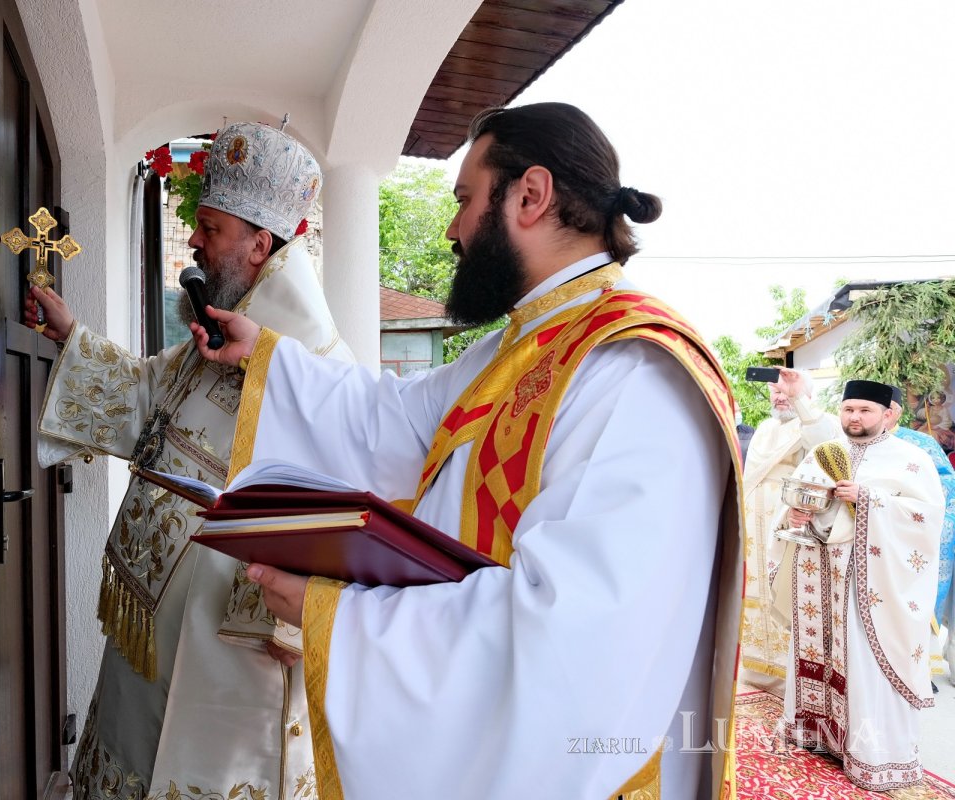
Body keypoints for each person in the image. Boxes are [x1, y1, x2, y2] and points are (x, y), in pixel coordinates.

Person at [191, 102, 745, 799]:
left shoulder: (634, 369)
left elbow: (572, 634)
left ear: (531, 195)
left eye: (463, 200)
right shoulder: (524, 340)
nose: (452, 228)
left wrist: (335, 617)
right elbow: (387, 421)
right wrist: (266, 354)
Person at [25, 121, 354, 800]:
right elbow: (148, 393)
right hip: (152, 627)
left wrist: (290, 624)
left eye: (211, 227)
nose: (196, 240)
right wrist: (71, 336)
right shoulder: (219, 334)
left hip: (227, 646)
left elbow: (339, 507)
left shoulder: (320, 369)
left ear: (261, 244)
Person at [769, 379, 943, 791]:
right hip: (818, 573)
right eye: (849, 409)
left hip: (870, 587)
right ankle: (819, 733)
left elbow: (925, 519)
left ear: (889, 415)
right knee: (819, 652)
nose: (854, 418)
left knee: (863, 661)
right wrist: (794, 516)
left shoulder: (909, 459)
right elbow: (799, 500)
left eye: (865, 410)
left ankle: (873, 754)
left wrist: (867, 499)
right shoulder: (823, 452)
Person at [739, 368, 841, 695]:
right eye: (775, 391)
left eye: (786, 391)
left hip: (788, 522)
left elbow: (827, 448)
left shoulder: (814, 422)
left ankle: (791, 679)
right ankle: (755, 671)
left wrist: (800, 401)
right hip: (754, 522)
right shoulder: (765, 428)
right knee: (754, 594)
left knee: (784, 591)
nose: (779, 396)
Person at [887, 386, 955, 686]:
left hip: (912, 534)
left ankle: (917, 672)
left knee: (915, 604)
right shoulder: (852, 443)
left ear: (896, 412)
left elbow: (945, 486)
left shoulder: (920, 443)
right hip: (874, 533)